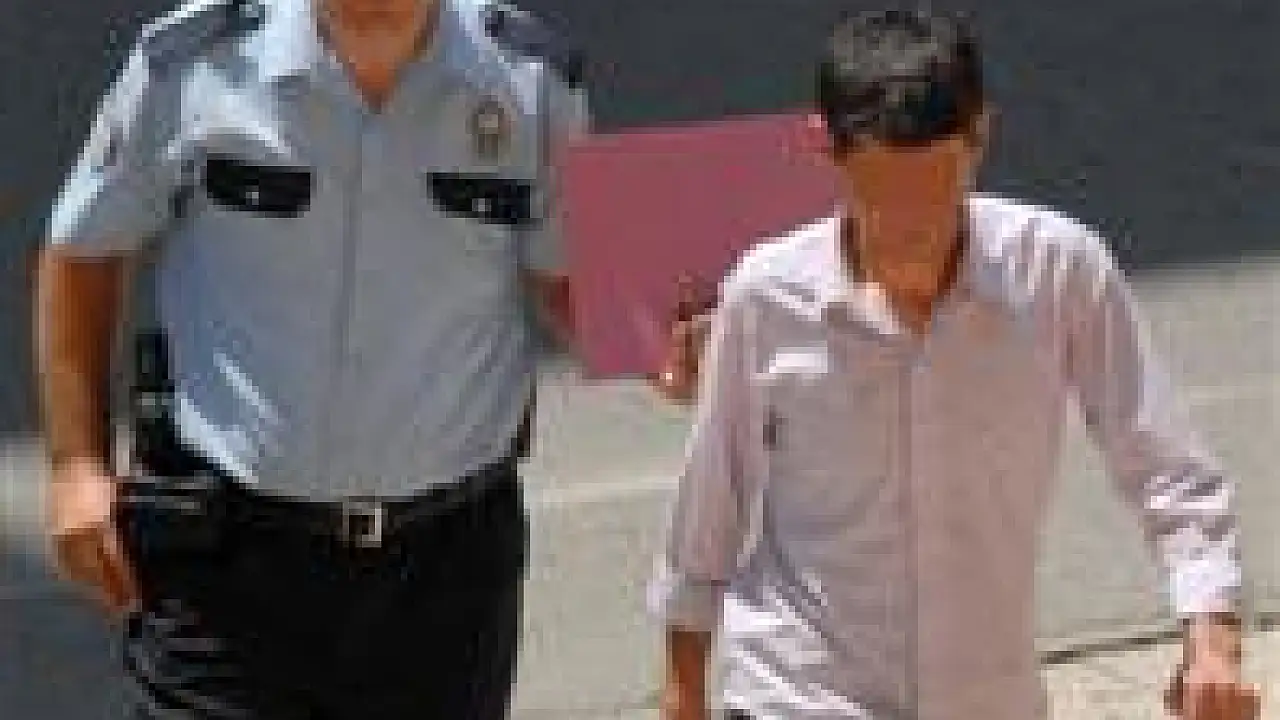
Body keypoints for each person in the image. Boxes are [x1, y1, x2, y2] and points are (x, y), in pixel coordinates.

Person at [648, 8, 1260, 720]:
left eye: (934, 200)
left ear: (980, 136)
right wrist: (684, 691)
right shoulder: (766, 295)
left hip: (985, 697)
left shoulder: (1060, 273)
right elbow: (711, 503)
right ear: (824, 147)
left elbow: (1167, 470)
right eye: (885, 205)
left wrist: (1212, 642)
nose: (911, 236)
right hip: (799, 690)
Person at [35, 0, 590, 716]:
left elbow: (571, 279)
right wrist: (76, 466)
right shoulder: (190, 65)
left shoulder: (534, 83)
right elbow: (83, 250)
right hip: (227, 569)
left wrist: (675, 345)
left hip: (445, 580)